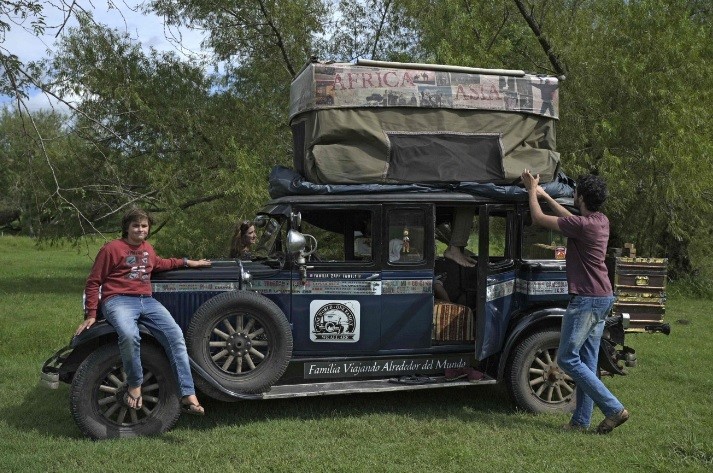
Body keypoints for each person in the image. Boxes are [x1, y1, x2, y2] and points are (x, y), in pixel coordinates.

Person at [521, 169, 629, 434]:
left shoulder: (582, 225)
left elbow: (537, 218)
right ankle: (580, 421)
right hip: (603, 297)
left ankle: (614, 408)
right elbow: (570, 218)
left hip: (587, 300)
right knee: (588, 362)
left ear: (579, 197)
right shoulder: (600, 221)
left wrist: (530, 191)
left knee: (568, 359)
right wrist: (544, 193)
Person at [75, 208, 211, 415]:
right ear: (127, 228)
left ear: (148, 229)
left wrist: (187, 262)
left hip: (146, 301)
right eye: (136, 225)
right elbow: (94, 282)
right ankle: (135, 383)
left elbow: (160, 263)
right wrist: (91, 314)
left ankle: (187, 394)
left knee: (175, 336)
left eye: (144, 226)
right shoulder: (111, 249)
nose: (140, 229)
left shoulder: (148, 248)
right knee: (130, 335)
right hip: (117, 301)